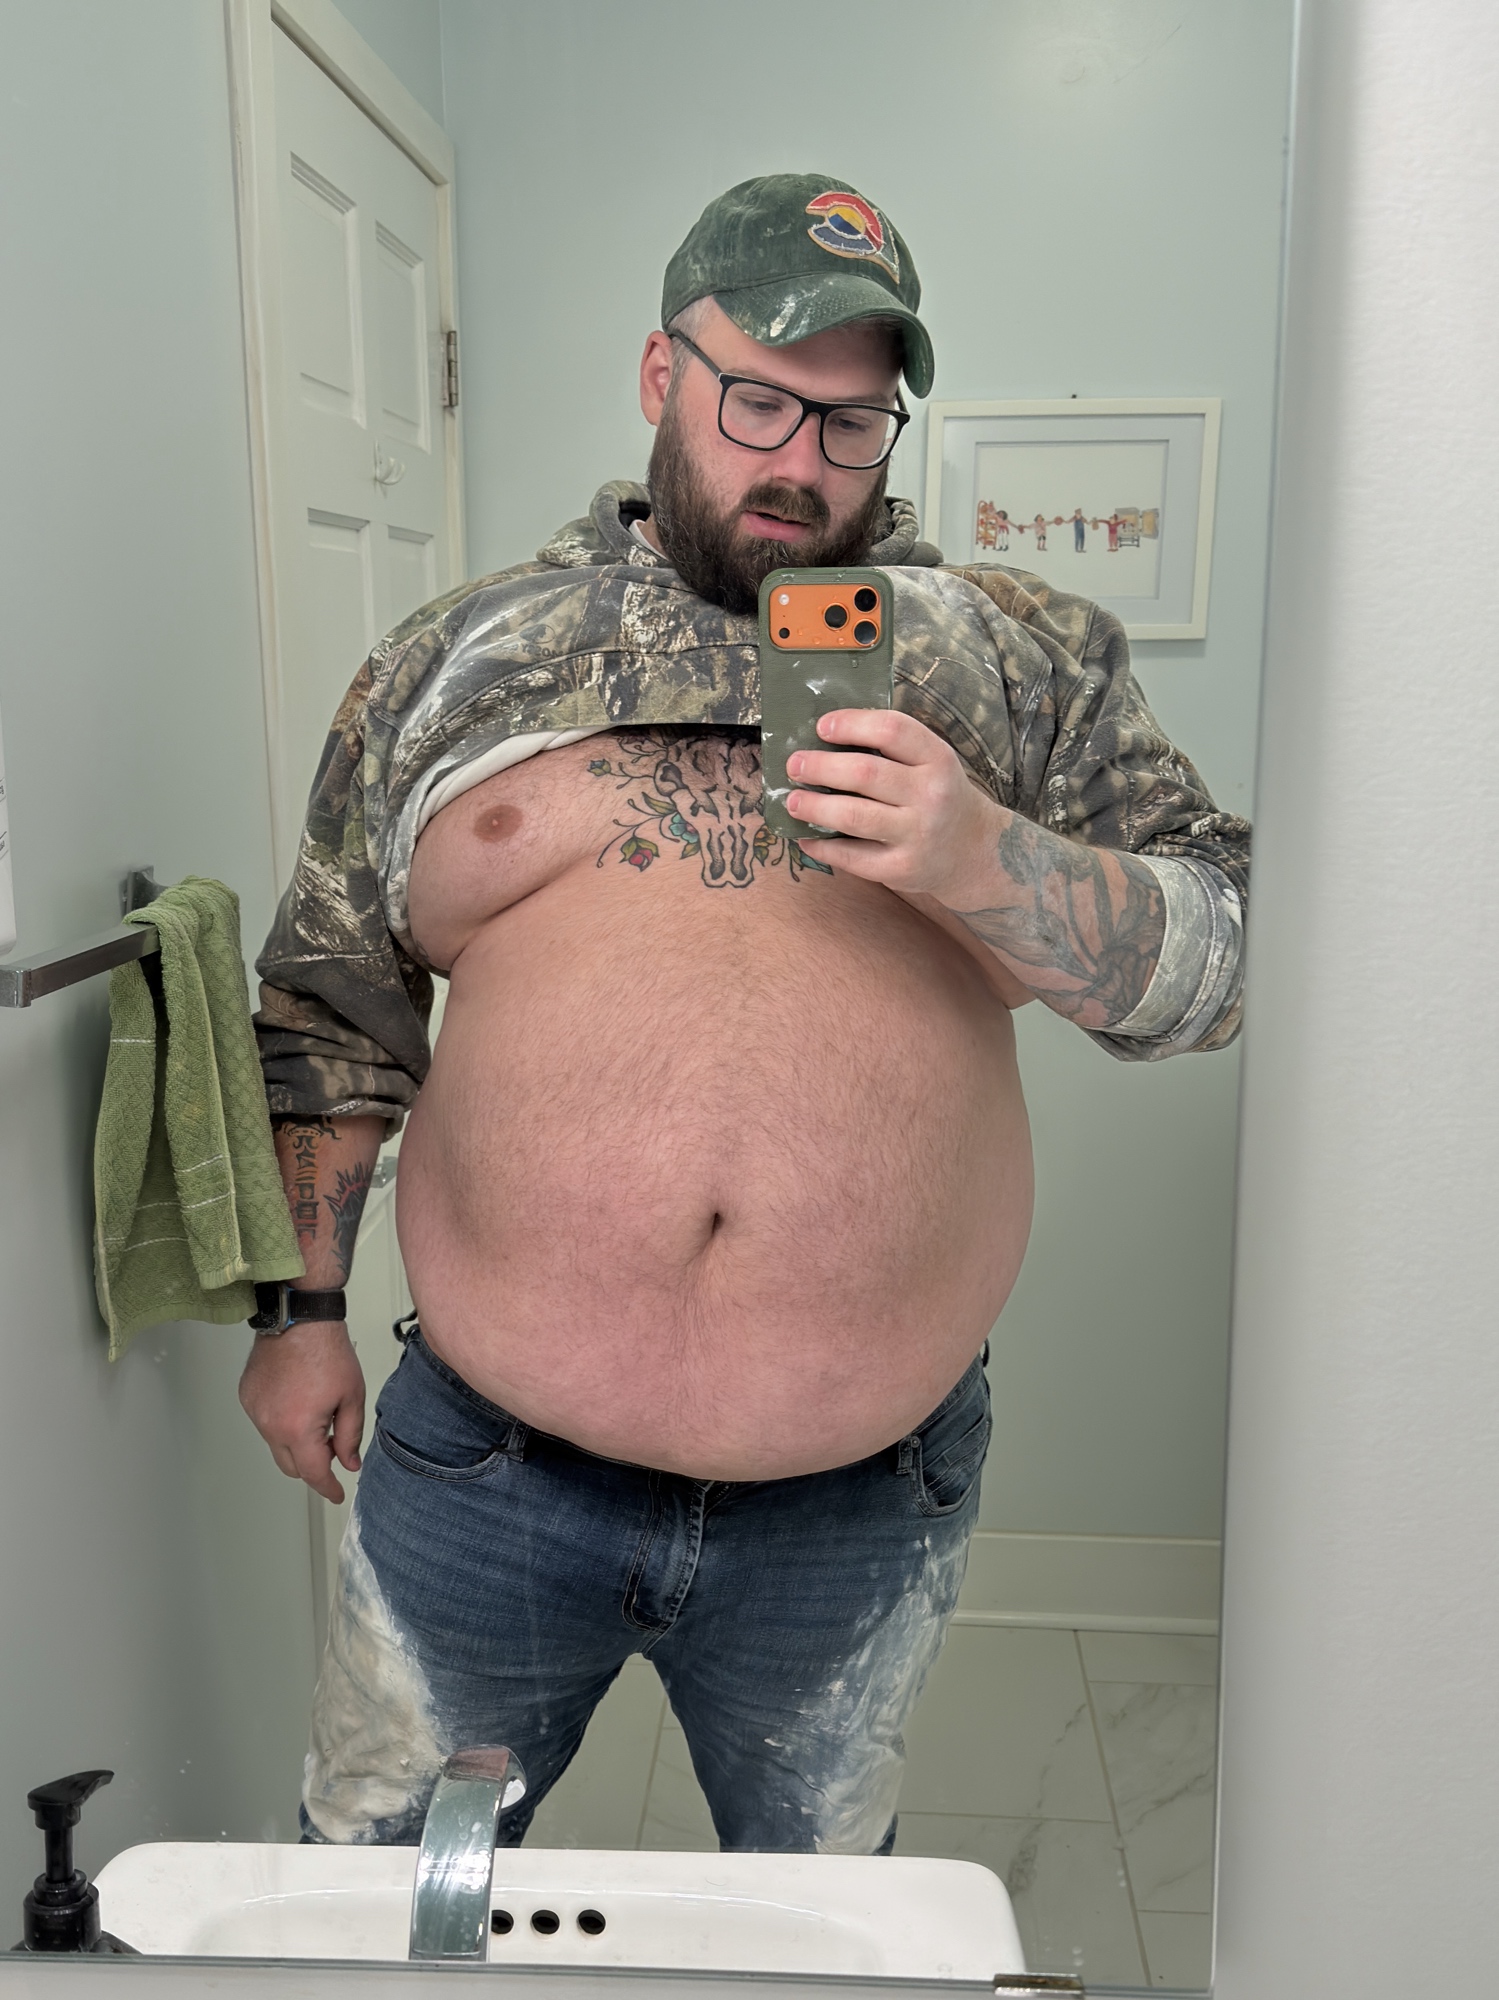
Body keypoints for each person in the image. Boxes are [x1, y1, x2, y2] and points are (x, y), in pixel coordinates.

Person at [240, 173, 1249, 1855]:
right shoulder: (459, 659)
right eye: (759, 401)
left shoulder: (1020, 660)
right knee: (380, 1919)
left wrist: (981, 857)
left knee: (815, 1937)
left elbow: (1220, 966)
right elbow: (334, 1008)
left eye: (853, 423)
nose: (802, 462)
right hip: (484, 1474)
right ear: (662, 374)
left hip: (858, 1498)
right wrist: (299, 1314)